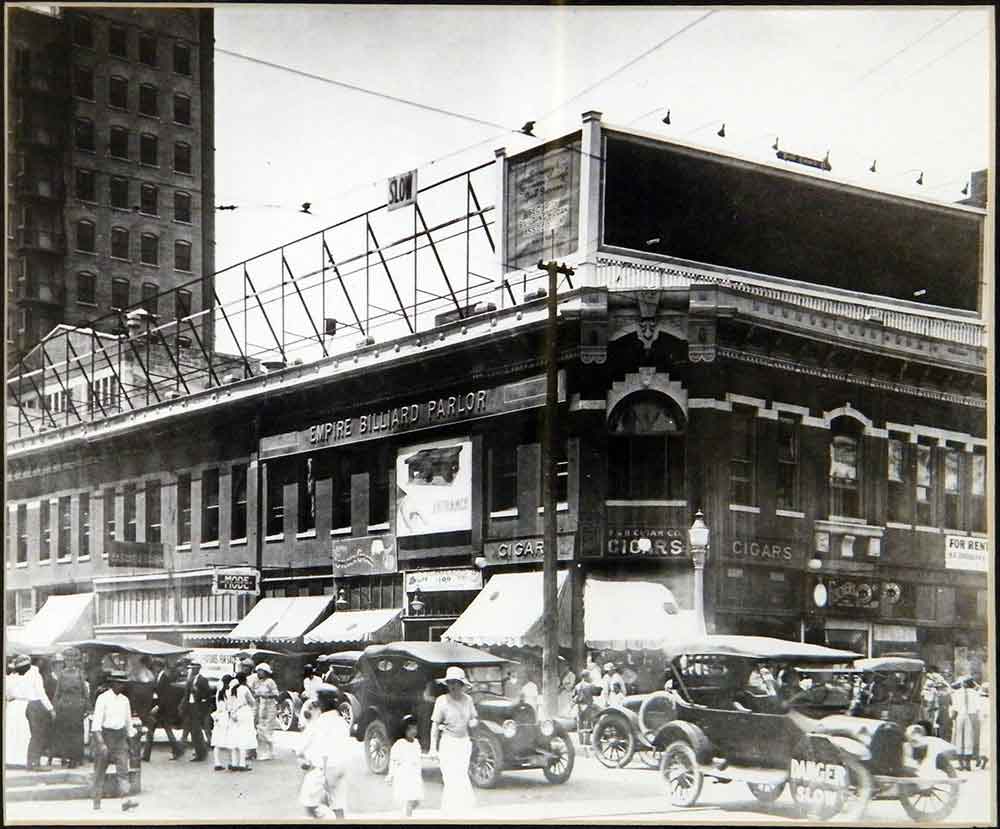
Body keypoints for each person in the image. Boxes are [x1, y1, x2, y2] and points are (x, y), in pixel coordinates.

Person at [297, 684, 351, 819]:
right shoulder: (342, 722)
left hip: (323, 769)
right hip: (340, 768)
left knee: (309, 802)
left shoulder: (319, 722)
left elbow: (302, 746)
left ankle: (325, 819)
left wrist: (302, 757)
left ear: (321, 703)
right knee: (338, 804)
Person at [429, 666, 477, 815]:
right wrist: (433, 748)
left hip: (464, 742)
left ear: (462, 684)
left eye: (456, 682)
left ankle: (463, 810)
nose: (453, 686)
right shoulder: (441, 701)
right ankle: (449, 810)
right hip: (448, 742)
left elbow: (474, 717)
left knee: (461, 775)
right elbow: (435, 725)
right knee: (449, 776)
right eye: (450, 682)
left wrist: (473, 722)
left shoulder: (468, 700)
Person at [90, 676, 139, 812]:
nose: (120, 686)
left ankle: (126, 800)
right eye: (118, 683)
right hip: (106, 736)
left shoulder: (125, 701)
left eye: (123, 684)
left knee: (123, 770)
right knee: (100, 771)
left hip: (120, 738)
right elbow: (96, 725)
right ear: (112, 683)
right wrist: (101, 744)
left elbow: (128, 724)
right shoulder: (103, 699)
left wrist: (133, 740)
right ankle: (96, 802)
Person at [51, 648, 90, 769]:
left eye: (72, 660)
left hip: (77, 708)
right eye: (67, 660)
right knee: (64, 733)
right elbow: (57, 692)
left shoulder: (79, 673)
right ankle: (64, 757)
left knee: (76, 734)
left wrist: (87, 707)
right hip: (64, 707)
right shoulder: (62, 674)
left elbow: (85, 691)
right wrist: (55, 707)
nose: (70, 662)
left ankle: (76, 758)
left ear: (75, 661)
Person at [143, 660, 181, 761]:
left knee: (160, 731)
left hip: (162, 710)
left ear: (159, 667)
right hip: (160, 710)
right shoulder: (160, 677)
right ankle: (146, 755)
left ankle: (177, 750)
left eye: (155, 666)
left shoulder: (164, 678)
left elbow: (165, 696)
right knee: (156, 731)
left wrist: (157, 707)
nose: (154, 668)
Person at [23, 656, 56, 771]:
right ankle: (35, 763)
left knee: (34, 735)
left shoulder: (26, 673)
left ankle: (30, 762)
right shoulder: (36, 675)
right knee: (38, 736)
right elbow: (41, 694)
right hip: (36, 705)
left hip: (28, 705)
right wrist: (51, 709)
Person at [387, 714, 424, 817]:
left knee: (416, 801)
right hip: (404, 775)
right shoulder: (400, 744)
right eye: (410, 729)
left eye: (415, 728)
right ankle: (407, 818)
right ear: (404, 730)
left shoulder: (416, 742)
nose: (413, 731)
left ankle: (406, 815)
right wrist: (391, 775)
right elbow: (393, 760)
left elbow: (418, 757)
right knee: (409, 800)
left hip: (415, 775)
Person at [5, 654, 35, 767]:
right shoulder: (25, 679)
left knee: (20, 732)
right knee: (16, 731)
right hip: (18, 705)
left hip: (18, 705)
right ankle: (15, 759)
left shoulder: (11, 678)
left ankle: (17, 759)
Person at [180, 661, 211, 761]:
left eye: (194, 668)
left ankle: (201, 753)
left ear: (198, 669)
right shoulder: (190, 680)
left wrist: (197, 691)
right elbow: (186, 694)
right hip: (190, 706)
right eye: (191, 668)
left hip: (198, 707)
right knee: (193, 731)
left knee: (196, 731)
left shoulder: (203, 680)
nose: (192, 670)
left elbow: (207, 694)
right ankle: (199, 752)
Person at [229, 673, 257, 771]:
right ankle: (242, 763)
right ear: (245, 680)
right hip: (244, 712)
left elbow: (230, 704)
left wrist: (232, 713)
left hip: (233, 713)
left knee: (235, 737)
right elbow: (252, 702)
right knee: (243, 738)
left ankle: (233, 762)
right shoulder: (245, 689)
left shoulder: (232, 690)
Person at [253, 663, 280, 761]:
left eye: (261, 671)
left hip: (270, 707)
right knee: (261, 730)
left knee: (268, 730)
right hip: (260, 707)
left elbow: (276, 694)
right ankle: (263, 751)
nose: (259, 673)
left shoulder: (270, 682)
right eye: (258, 671)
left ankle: (270, 752)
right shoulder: (257, 682)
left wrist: (265, 695)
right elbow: (253, 692)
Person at [951, 677, 978, 771]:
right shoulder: (974, 693)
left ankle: (963, 764)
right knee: (967, 739)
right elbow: (977, 708)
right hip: (968, 716)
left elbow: (954, 709)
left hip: (963, 716)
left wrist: (952, 717)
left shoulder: (958, 693)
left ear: (963, 683)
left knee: (961, 739)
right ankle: (966, 764)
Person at [572, 670, 599, 756]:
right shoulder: (590, 686)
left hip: (579, 706)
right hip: (587, 706)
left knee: (579, 723)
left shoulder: (577, 686)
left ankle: (580, 741)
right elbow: (597, 693)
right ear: (586, 676)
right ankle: (586, 741)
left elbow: (573, 696)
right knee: (588, 723)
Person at [211, 675, 234, 771]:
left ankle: (217, 762)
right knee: (230, 741)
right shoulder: (229, 693)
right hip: (226, 717)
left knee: (217, 742)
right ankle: (231, 762)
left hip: (219, 718)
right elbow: (230, 707)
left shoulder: (219, 693)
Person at [976, 683, 990, 770]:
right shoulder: (988, 700)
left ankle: (982, 759)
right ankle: (983, 759)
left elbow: (981, 714)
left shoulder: (981, 701)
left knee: (983, 741)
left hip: (984, 722)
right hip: (988, 721)